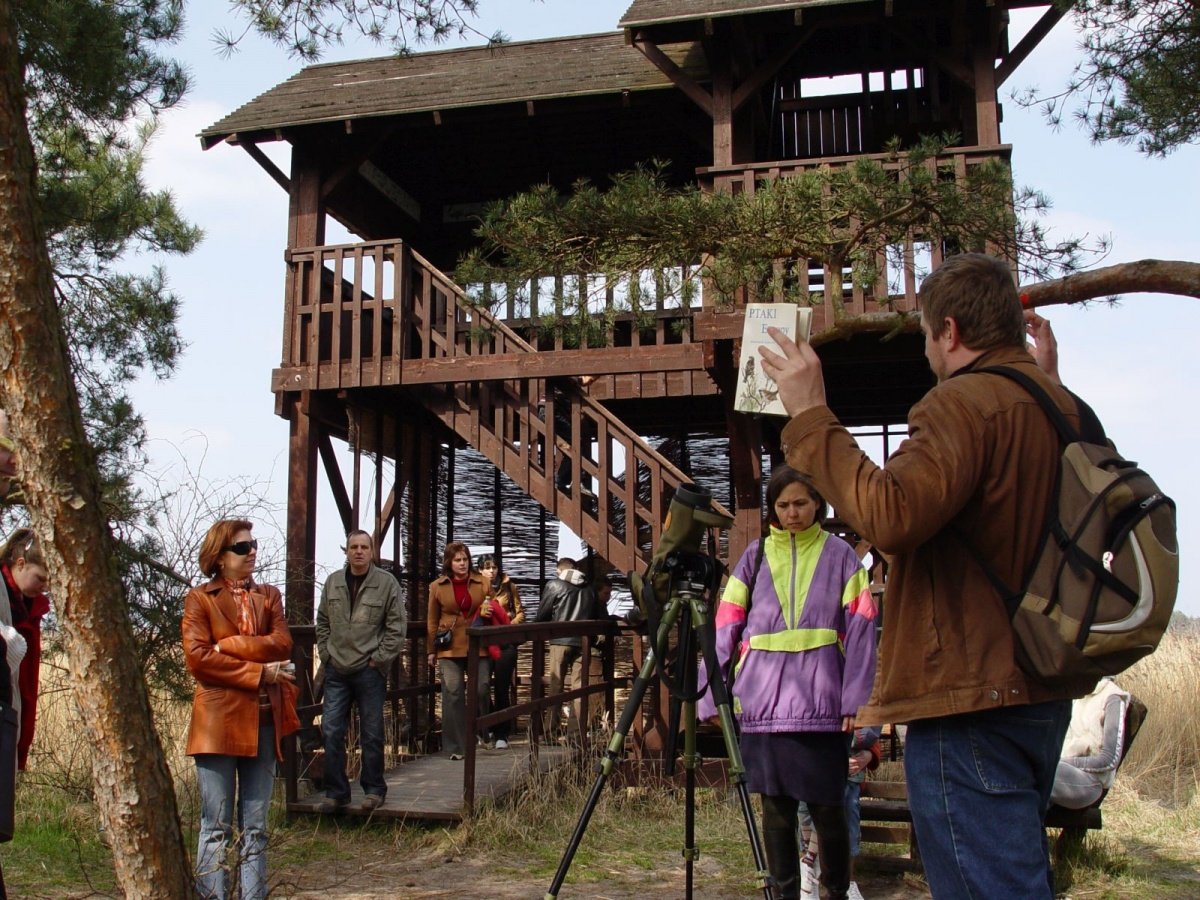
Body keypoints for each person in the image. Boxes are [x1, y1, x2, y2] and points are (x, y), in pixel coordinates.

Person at [760, 252, 1095, 898]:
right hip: (1042, 684)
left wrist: (810, 413)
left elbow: (890, 514)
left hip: (968, 697)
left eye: (925, 338)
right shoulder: (1062, 405)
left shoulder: (962, 403)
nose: (928, 354)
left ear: (949, 331)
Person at [699, 465, 877, 900]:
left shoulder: (841, 557)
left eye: (800, 503)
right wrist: (708, 695)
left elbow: (862, 628)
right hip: (762, 707)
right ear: (772, 509)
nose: (793, 512)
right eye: (783, 505)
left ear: (817, 503)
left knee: (828, 810)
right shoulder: (753, 557)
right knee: (775, 813)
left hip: (823, 706)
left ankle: (834, 892)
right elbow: (726, 626)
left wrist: (855, 700)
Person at [182, 519, 299, 900]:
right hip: (217, 724)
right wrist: (260, 673)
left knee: (257, 826)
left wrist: (229, 645)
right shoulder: (200, 599)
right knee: (215, 826)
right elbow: (199, 660)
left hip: (264, 721)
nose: (251, 553)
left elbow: (282, 644)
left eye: (253, 545)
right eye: (241, 548)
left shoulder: (269, 595)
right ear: (218, 557)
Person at [315, 530, 406, 813]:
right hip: (337, 669)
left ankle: (374, 789)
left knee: (372, 732)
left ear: (371, 551)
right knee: (330, 730)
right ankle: (337, 792)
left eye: (364, 547)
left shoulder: (386, 583)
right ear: (346, 551)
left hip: (368, 669)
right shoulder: (333, 583)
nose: (358, 552)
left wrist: (377, 660)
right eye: (353, 547)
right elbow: (322, 622)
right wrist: (326, 654)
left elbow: (396, 628)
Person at [797, 726, 882, 900]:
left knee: (847, 815)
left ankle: (847, 883)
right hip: (812, 760)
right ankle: (809, 877)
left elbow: (871, 730)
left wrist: (870, 755)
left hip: (848, 773)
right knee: (804, 811)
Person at [426, 542, 490, 760]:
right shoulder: (437, 586)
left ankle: (482, 734)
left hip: (478, 644)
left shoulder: (483, 582)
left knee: (481, 687)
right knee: (452, 694)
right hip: (449, 647)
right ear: (449, 562)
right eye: (457, 560)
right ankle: (456, 747)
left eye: (465, 559)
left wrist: (489, 612)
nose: (462, 564)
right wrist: (431, 650)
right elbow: (432, 620)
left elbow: (496, 609)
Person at [534, 557, 603, 739]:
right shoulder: (589, 588)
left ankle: (550, 731)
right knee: (579, 689)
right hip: (584, 643)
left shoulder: (555, 585)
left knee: (556, 685)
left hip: (560, 641)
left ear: (559, 571)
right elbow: (596, 615)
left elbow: (542, 614)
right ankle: (575, 733)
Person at [0, 529, 50, 771]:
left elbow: (27, 685)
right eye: (40, 578)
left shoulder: (32, 610)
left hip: (10, 720)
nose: (43, 587)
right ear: (21, 563)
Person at [1050, 677, 1131, 810]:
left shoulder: (1113, 698)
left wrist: (1060, 762)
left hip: (1089, 781)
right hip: (1062, 769)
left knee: (1039, 773)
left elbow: (1109, 760)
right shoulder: (1078, 693)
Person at [477, 555, 523, 750]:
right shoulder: (475, 588)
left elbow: (521, 612)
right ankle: (485, 728)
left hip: (504, 644)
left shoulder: (509, 587)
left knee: (502, 689)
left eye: (494, 567)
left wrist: (508, 624)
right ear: (480, 570)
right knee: (482, 688)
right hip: (483, 645)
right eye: (487, 568)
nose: (491, 571)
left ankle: (502, 734)